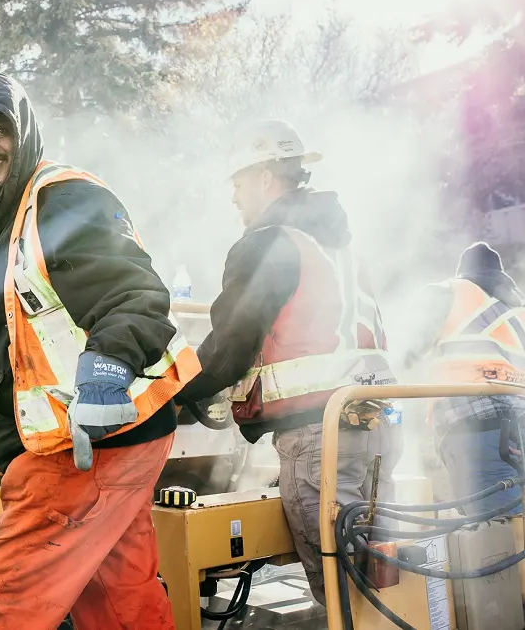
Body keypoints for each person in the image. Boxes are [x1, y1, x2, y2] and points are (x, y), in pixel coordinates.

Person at [0, 70, 201, 630]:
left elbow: (135, 293)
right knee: (116, 598)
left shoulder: (61, 198)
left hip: (86, 444)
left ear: (22, 133)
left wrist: (104, 369)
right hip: (101, 440)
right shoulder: (7, 225)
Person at [173, 119, 404, 606]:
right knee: (384, 579)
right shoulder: (341, 245)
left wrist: (173, 393)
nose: (234, 198)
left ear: (263, 177)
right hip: (377, 429)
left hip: (321, 440)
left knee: (342, 593)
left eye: (237, 185)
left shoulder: (269, 242)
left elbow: (230, 344)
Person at [400, 241, 525, 515]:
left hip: (478, 432)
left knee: (494, 537)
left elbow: (405, 352)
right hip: (518, 425)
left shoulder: (448, 292)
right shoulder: (517, 310)